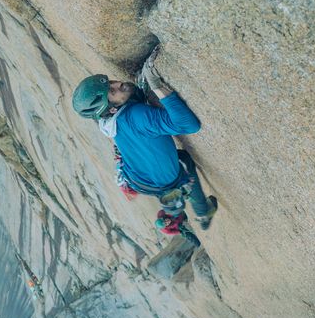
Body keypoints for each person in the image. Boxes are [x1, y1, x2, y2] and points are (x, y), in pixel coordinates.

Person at [71, 47, 217, 233]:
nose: (118, 84)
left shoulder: (106, 121)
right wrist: (157, 85)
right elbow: (189, 125)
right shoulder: (137, 116)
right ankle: (198, 213)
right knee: (181, 169)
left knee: (176, 171)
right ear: (113, 109)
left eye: (110, 83)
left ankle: (190, 213)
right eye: (112, 91)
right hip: (158, 179)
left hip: (136, 178)